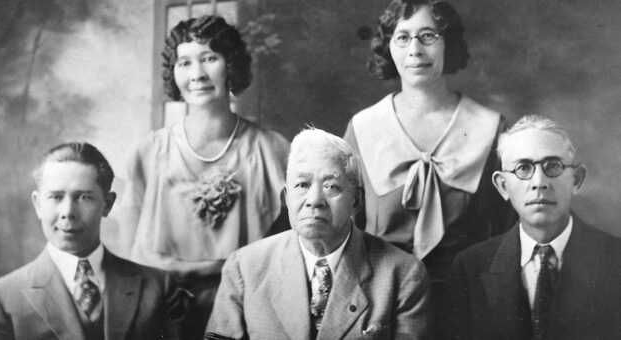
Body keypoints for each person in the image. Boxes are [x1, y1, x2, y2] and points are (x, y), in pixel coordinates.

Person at [342, 0, 516, 326]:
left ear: (448, 44)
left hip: (468, 305)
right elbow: (346, 230)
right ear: (389, 48)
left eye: (428, 36)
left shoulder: (491, 127)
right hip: (381, 304)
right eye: (402, 37)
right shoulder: (364, 128)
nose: (415, 50)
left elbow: (508, 233)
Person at [119, 15, 290, 336]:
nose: (196, 74)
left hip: (247, 309)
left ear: (231, 65)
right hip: (161, 312)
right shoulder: (148, 152)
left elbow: (290, 250)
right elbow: (129, 261)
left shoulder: (273, 150)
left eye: (210, 58)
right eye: (184, 62)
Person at [205, 128, 431, 340]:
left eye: (331, 187)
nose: (314, 200)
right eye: (302, 184)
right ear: (286, 198)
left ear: (356, 201)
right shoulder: (244, 268)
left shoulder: (403, 275)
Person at [0, 142, 186, 340]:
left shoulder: (158, 288)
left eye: (84, 197)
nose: (68, 212)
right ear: (38, 204)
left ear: (107, 204)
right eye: (56, 197)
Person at [445, 115, 621, 339]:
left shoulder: (616, 260)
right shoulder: (469, 268)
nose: (539, 182)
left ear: (576, 180)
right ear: (503, 186)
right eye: (523, 168)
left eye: (553, 166)